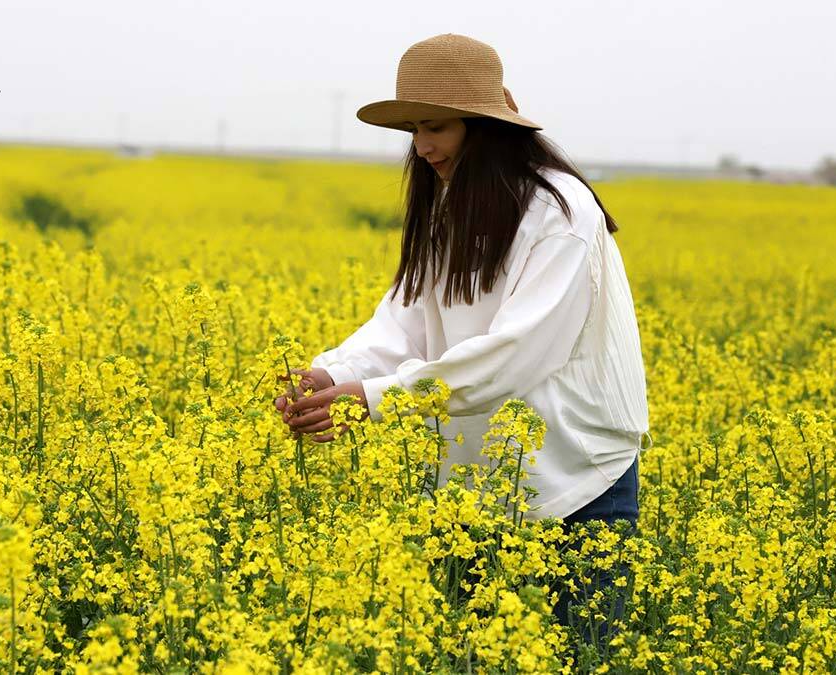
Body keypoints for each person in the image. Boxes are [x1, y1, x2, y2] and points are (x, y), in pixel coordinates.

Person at [273, 32, 651, 647]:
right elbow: (406, 321)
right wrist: (331, 371)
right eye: (413, 131)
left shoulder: (560, 214)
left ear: (485, 125)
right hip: (474, 492)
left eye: (437, 128)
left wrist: (369, 400)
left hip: (573, 488)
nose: (421, 148)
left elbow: (514, 354)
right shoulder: (452, 206)